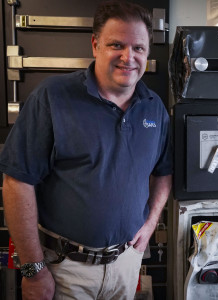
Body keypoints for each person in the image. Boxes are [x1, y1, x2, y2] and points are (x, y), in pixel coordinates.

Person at [0, 1, 172, 299]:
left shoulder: (155, 108)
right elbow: (17, 183)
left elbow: (163, 172)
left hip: (126, 265)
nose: (128, 57)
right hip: (64, 270)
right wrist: (33, 270)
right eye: (116, 44)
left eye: (139, 48)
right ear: (95, 45)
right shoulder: (52, 98)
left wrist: (150, 223)